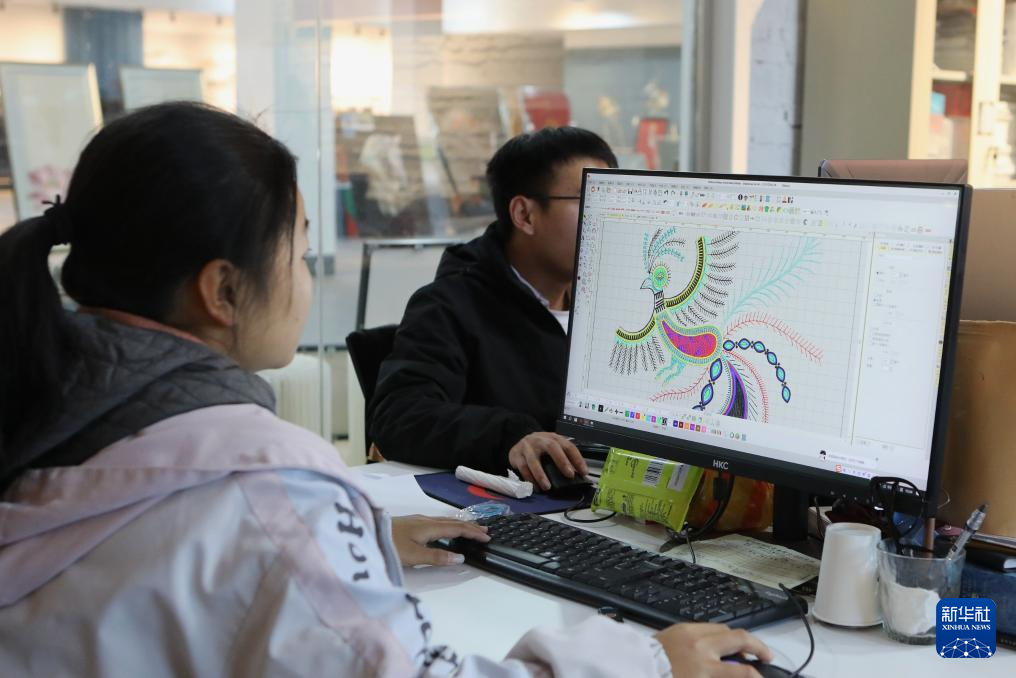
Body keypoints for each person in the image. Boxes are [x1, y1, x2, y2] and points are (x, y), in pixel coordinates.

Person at [0, 103, 771, 677]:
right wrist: (650, 665)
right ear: (223, 291)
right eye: (300, 250)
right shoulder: (267, 487)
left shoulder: (43, 403)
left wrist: (348, 542)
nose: (305, 281)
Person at [369, 127, 615, 490]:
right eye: (589, 200)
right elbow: (400, 416)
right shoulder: (449, 306)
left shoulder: (613, 304)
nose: (608, 217)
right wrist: (510, 437)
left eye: (614, 200)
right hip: (523, 506)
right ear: (524, 215)